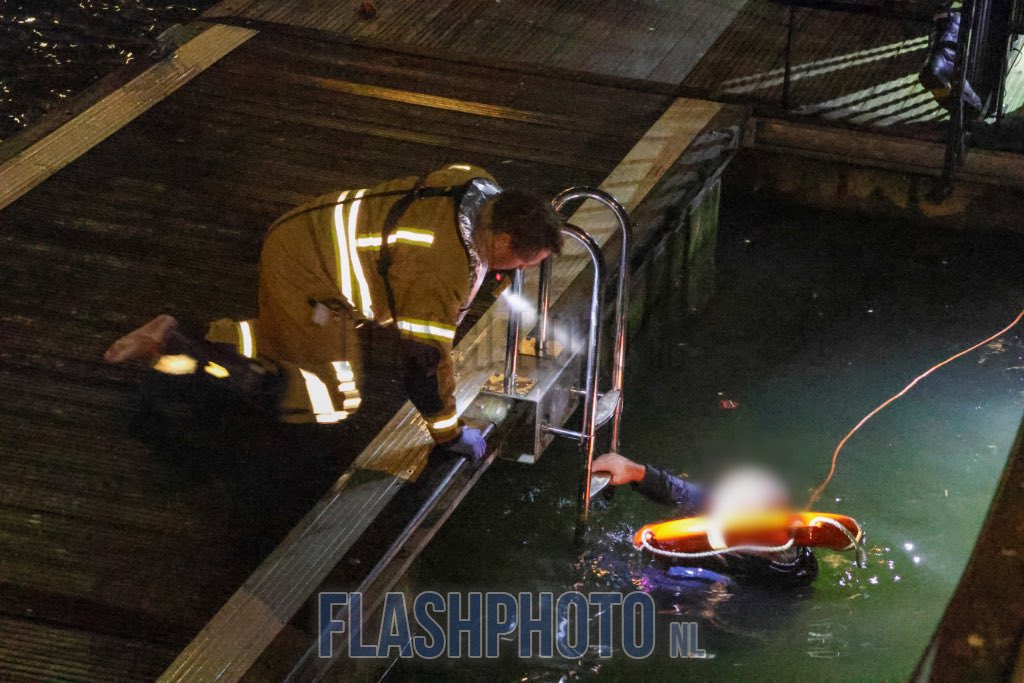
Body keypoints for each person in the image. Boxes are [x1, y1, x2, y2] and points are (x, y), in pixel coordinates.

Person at [105, 163, 562, 459]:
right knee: (328, 399)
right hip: (311, 277)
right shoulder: (441, 272)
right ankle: (177, 348)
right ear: (502, 240)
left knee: (286, 337)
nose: (519, 272)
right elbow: (422, 366)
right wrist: (449, 434)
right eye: (522, 263)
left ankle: (190, 334)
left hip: (306, 234)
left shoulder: (477, 183)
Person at [591, 452, 819, 587]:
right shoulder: (765, 524)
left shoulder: (724, 581)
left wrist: (600, 561)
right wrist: (636, 472)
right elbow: (693, 496)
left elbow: (645, 582)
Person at [918, 1, 983, 113]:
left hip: (942, 58)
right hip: (949, 56)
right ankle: (972, 105)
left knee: (943, 28)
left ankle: (938, 65)